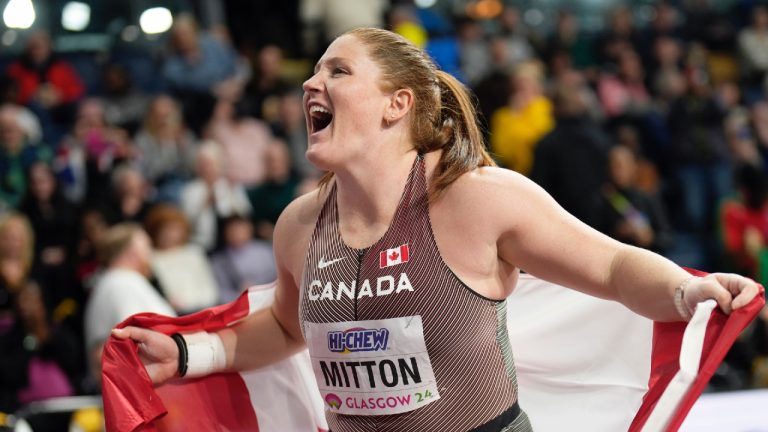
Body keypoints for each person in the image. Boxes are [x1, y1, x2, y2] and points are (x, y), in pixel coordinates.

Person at [113, 28, 759, 432]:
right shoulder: (299, 224)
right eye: (314, 72)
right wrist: (192, 354)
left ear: (400, 104)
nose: (311, 82)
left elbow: (615, 268)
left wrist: (681, 292)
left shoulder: (475, 200)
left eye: (338, 71)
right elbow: (286, 328)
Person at [84, 224, 175, 383]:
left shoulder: (119, 281)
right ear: (132, 253)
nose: (151, 255)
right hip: (142, 389)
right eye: (147, 247)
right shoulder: (122, 283)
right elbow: (136, 339)